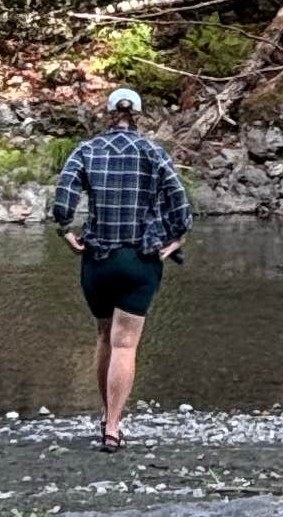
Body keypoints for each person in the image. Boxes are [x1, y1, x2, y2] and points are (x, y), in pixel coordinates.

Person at [48, 82, 189, 447]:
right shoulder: (154, 153)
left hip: (98, 259)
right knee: (125, 345)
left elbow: (63, 199)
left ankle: (104, 414)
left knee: (104, 338)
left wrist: (66, 232)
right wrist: (177, 238)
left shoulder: (86, 151)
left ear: (109, 114)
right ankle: (113, 427)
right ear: (138, 116)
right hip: (140, 259)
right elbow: (179, 200)